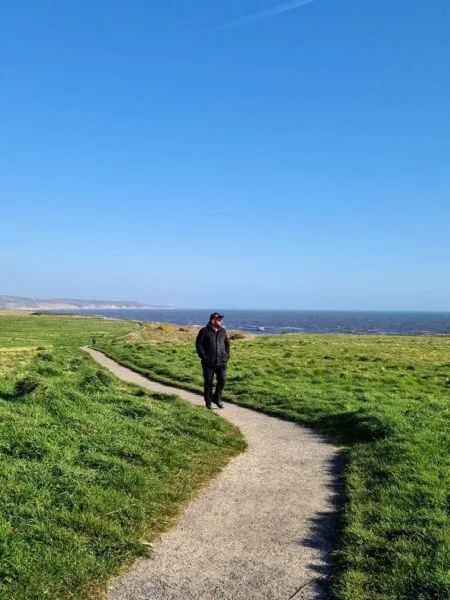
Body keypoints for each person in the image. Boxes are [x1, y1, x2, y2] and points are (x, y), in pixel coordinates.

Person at [195, 312, 230, 410]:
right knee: (208, 382)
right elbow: (199, 345)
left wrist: (227, 356)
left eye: (221, 320)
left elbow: (227, 344)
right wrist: (204, 357)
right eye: (219, 320)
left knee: (222, 380)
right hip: (208, 363)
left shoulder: (223, 331)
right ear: (213, 320)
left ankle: (217, 398)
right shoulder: (204, 331)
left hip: (222, 362)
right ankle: (208, 401)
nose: (221, 321)